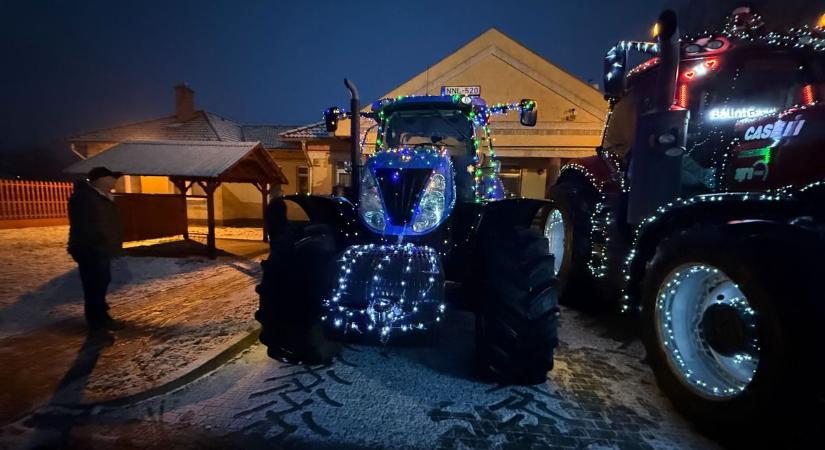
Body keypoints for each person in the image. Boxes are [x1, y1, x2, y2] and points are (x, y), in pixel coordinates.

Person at [67, 167, 124, 331]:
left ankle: (101, 316)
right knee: (94, 284)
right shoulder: (85, 198)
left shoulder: (102, 197)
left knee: (102, 281)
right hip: (90, 248)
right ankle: (97, 321)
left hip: (101, 247)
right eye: (112, 180)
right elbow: (88, 225)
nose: (114, 183)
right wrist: (100, 242)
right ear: (101, 179)